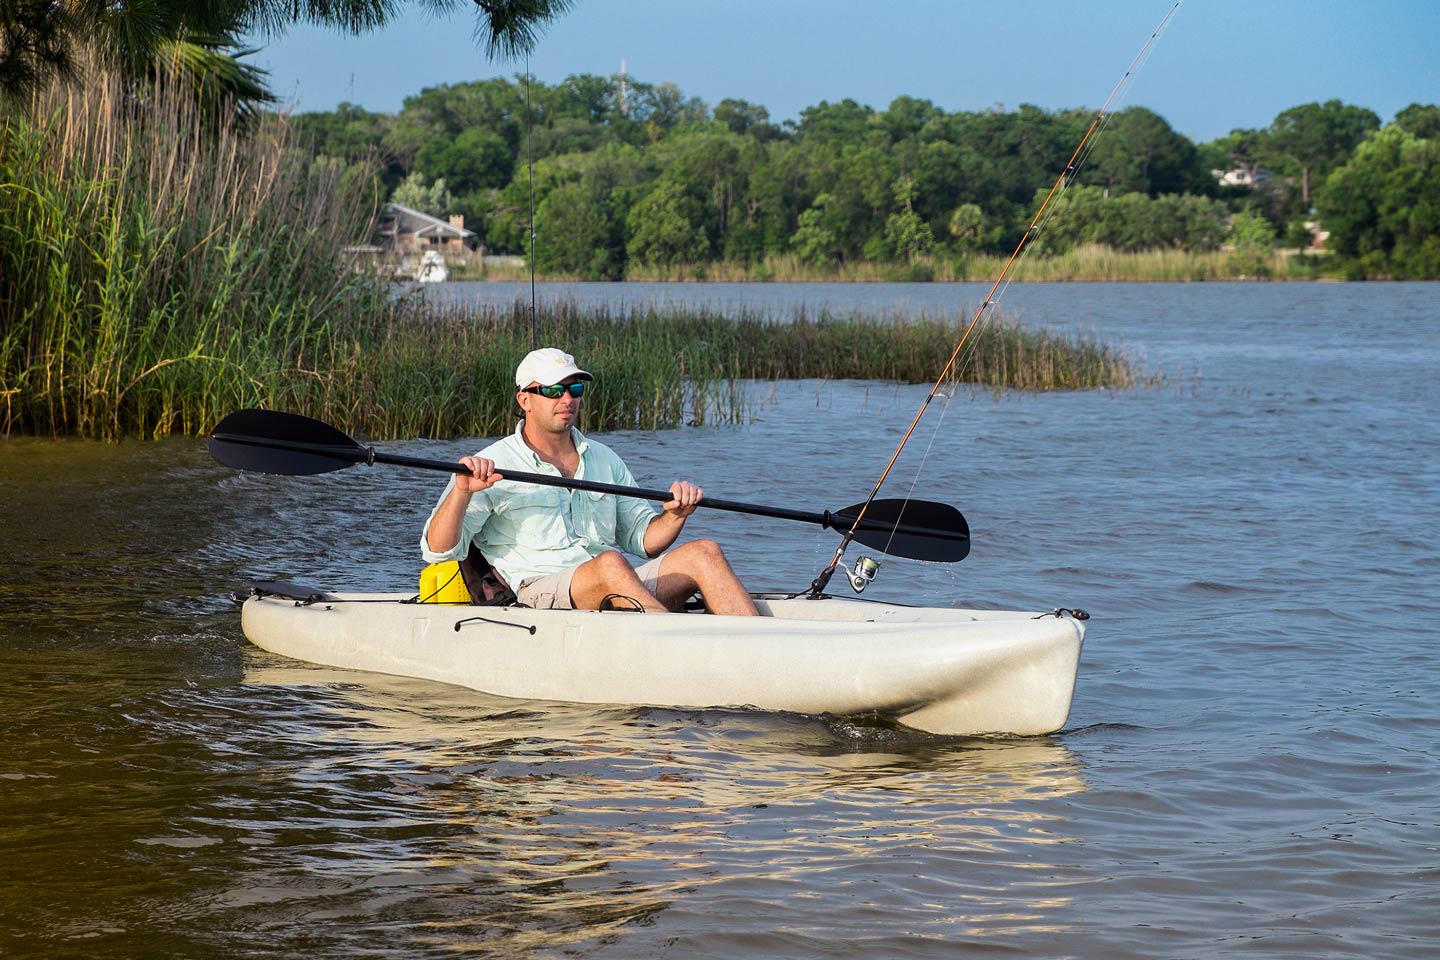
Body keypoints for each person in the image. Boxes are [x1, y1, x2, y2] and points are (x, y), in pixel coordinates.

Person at [422, 347, 759, 616]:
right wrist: (462, 493)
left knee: (704, 551)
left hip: (615, 581)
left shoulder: (604, 458)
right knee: (611, 564)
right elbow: (438, 550)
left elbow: (643, 540)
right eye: (553, 390)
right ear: (525, 400)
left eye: (575, 388)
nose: (567, 399)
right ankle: (679, 648)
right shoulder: (494, 462)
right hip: (540, 592)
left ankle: (758, 651)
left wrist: (674, 516)